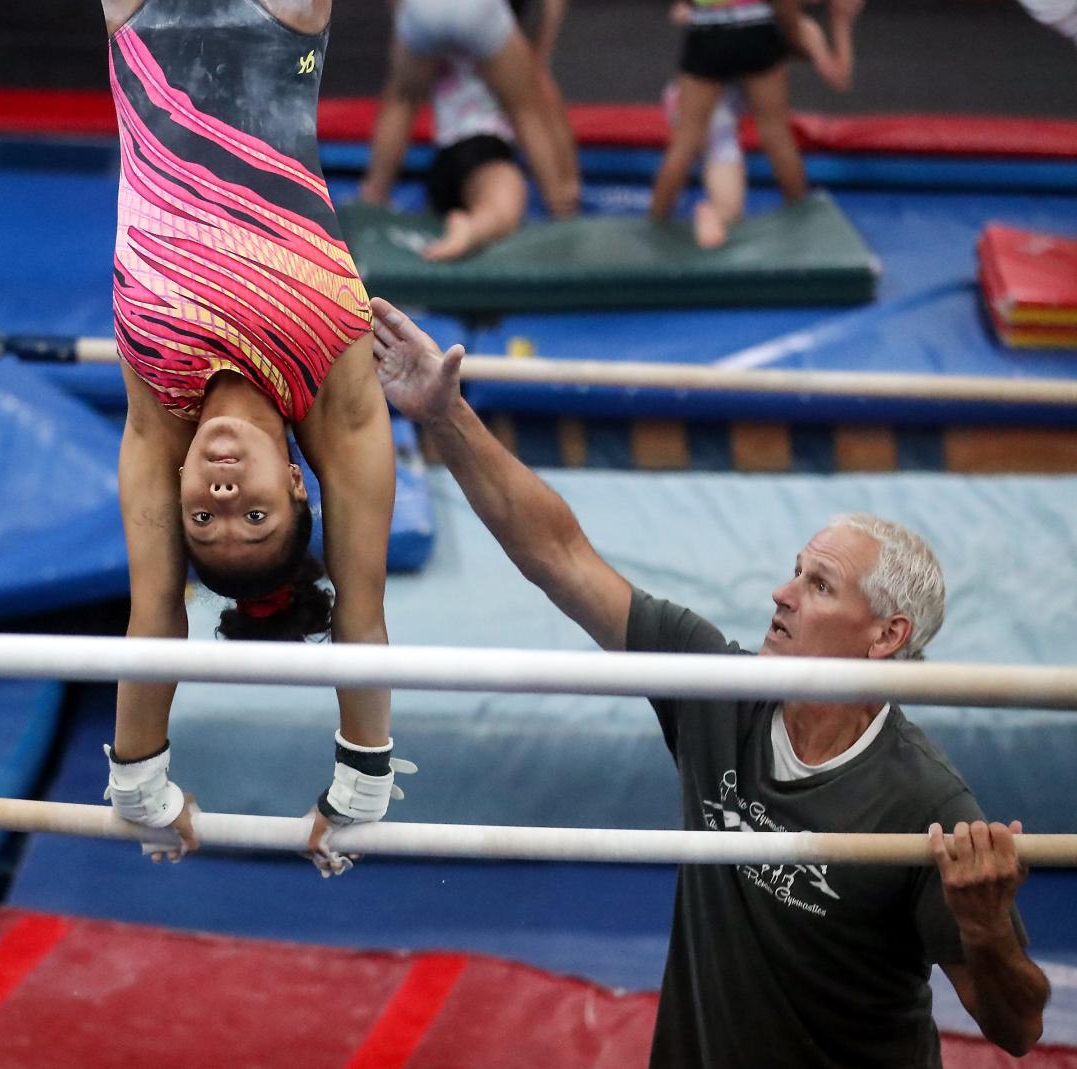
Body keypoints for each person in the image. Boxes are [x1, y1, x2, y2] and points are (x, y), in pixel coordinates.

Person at [369, 297, 1051, 1067]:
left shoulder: (925, 804)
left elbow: (1015, 1028)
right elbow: (560, 555)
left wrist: (987, 927)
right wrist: (445, 415)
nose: (781, 594)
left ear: (885, 636)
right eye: (793, 571)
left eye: (819, 585)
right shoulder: (715, 690)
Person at [99, 0, 411, 874]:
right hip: (277, 28)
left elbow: (155, 612)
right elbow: (362, 614)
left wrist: (141, 784)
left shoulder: (157, 412)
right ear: (299, 483)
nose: (220, 500)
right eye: (255, 518)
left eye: (202, 522)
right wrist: (359, 784)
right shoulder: (339, 400)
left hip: (144, 25)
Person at [360, 0, 580, 260]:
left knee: (402, 98)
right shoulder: (510, 52)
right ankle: (487, 224)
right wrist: (563, 197)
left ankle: (373, 194)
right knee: (525, 116)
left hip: (446, 161)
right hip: (485, 148)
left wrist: (405, 14)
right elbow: (536, 109)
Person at [664, 0, 861, 248]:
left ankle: (676, 219)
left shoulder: (802, 28)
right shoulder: (759, 17)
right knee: (709, 159)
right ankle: (688, 218)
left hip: (716, 105)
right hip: (705, 108)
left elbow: (840, 78)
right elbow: (687, 14)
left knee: (723, 160)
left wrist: (841, 22)